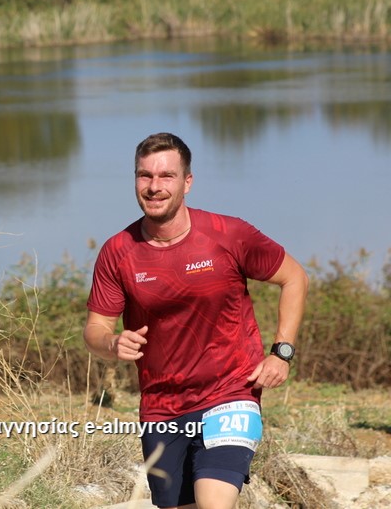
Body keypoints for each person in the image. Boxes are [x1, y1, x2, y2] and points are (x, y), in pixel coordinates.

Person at [83, 133, 308, 509]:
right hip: (162, 407)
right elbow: (95, 330)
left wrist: (281, 352)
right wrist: (111, 343)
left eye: (166, 176)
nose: (154, 187)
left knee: (214, 503)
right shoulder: (117, 251)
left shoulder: (228, 234)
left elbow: (294, 277)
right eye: (145, 176)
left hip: (230, 393)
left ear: (187, 182)